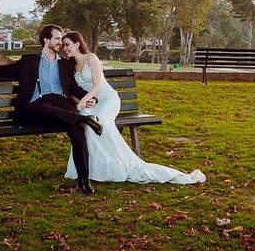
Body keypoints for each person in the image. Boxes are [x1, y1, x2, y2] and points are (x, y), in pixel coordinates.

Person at [0, 24, 103, 194]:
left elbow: (71, 88)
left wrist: (90, 97)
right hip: (33, 108)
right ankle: (82, 118)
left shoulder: (65, 64)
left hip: (59, 105)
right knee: (45, 106)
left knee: (77, 129)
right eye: (57, 38)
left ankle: (83, 179)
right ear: (46, 40)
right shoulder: (29, 61)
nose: (60, 43)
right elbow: (5, 70)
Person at [60, 31, 206, 185]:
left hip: (107, 100)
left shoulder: (91, 58)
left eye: (67, 44)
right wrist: (81, 102)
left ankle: (118, 165)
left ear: (77, 44)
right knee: (85, 119)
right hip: (90, 101)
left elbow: (96, 85)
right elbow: (71, 90)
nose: (65, 48)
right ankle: (92, 167)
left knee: (99, 121)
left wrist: (85, 99)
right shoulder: (71, 65)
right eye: (63, 45)